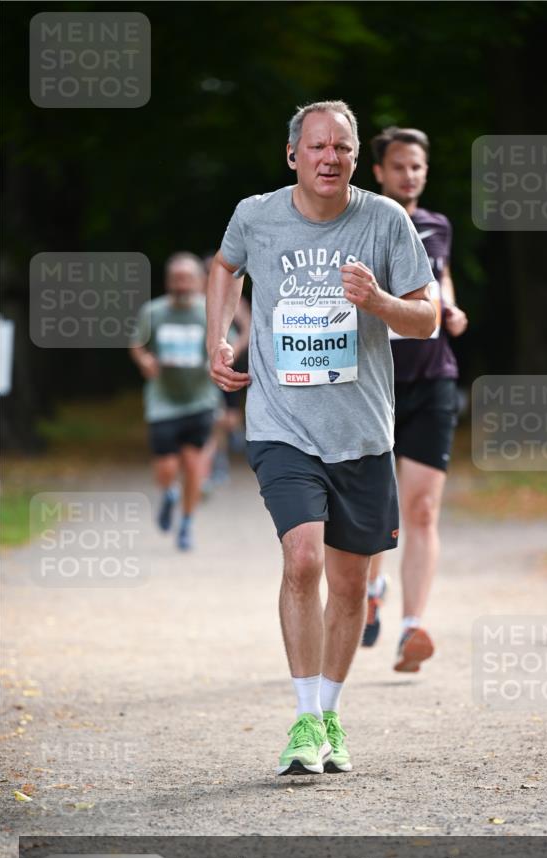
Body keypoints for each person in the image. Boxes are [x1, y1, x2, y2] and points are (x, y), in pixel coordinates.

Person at [206, 101, 436, 775]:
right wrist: (219, 337)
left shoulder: (385, 221)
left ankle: (330, 711)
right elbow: (225, 266)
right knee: (302, 559)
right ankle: (305, 717)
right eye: (316, 146)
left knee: (350, 581)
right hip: (281, 425)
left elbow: (425, 318)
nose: (329, 157)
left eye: (341, 146)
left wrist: (379, 303)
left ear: (356, 158)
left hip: (361, 432)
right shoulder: (256, 215)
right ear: (292, 155)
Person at [363, 126, 468, 671]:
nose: (409, 175)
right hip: (371, 382)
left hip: (432, 380)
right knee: (375, 508)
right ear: (379, 171)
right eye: (400, 166)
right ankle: (370, 590)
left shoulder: (437, 225)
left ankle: (412, 629)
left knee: (422, 510)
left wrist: (450, 306)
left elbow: (439, 277)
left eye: (417, 167)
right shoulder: (358, 225)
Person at [129, 252, 221, 551]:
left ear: (199, 281)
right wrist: (144, 360)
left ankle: (187, 523)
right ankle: (169, 493)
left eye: (187, 279)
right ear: (168, 282)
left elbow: (227, 342)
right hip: (163, 402)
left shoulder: (209, 312)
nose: (181, 285)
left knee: (193, 466)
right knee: (167, 468)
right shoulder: (153, 312)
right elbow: (137, 343)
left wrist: (217, 360)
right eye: (176, 279)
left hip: (199, 401)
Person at [200, 256, 252, 490]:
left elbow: (248, 328)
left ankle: (236, 432)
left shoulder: (236, 299)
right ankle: (218, 463)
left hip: (231, 362)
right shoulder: (198, 298)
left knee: (228, 417)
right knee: (216, 416)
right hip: (204, 366)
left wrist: (233, 349)